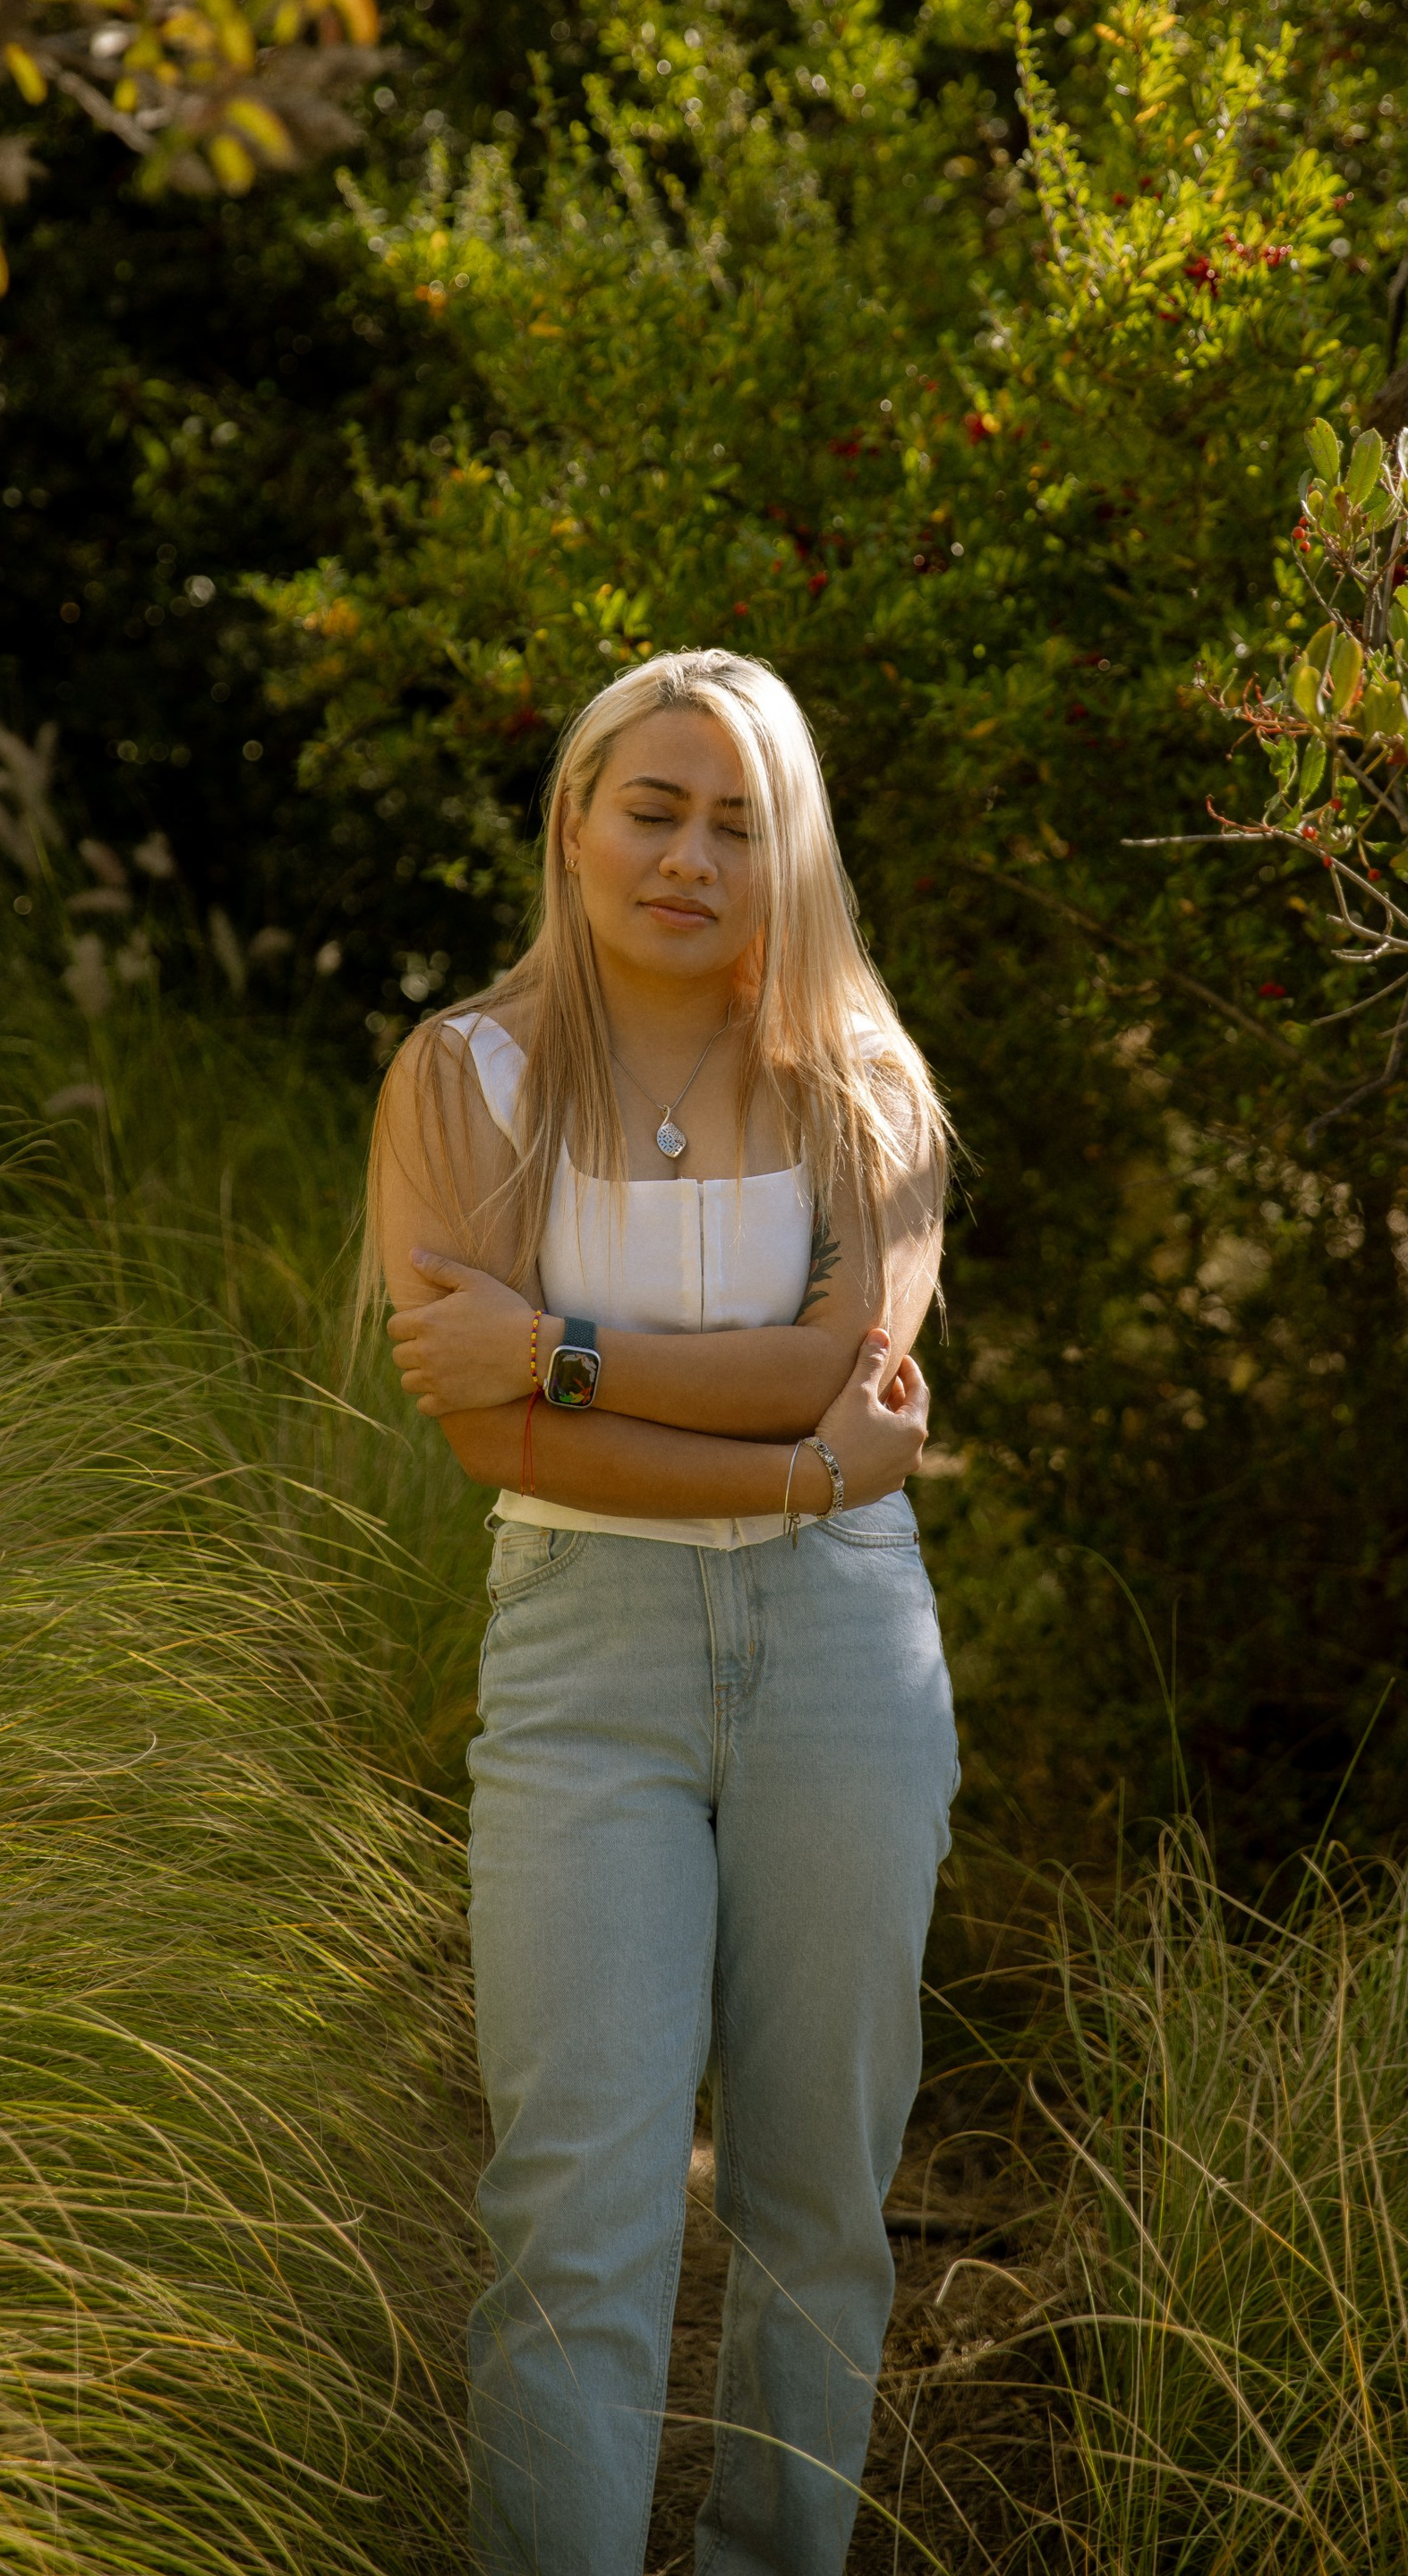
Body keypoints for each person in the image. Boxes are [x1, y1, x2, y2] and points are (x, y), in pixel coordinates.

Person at [368, 646, 956, 2576]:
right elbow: (486, 1437)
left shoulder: (864, 1085)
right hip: (582, 1661)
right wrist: (788, 1460)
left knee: (816, 2199)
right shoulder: (465, 1078)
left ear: (790, 855)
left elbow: (835, 1372)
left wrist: (561, 1348)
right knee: (577, 2202)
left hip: (844, 1665)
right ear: (573, 818)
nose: (689, 852)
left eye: (737, 818)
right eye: (653, 805)